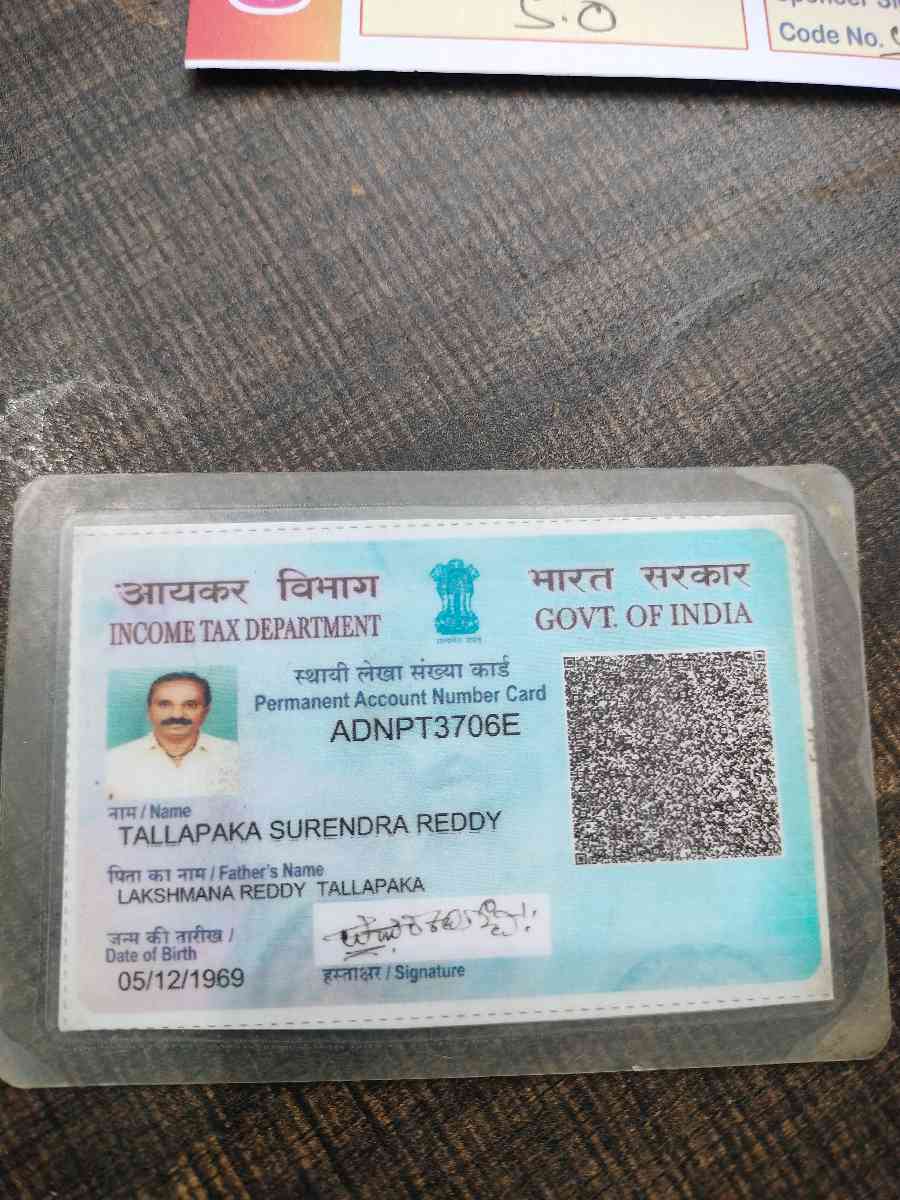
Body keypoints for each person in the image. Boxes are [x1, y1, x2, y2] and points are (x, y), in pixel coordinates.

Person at [106, 672, 239, 801]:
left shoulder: (235, 756)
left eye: (190, 705)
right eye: (164, 704)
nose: (177, 715)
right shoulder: (114, 761)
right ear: (149, 710)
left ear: (206, 712)